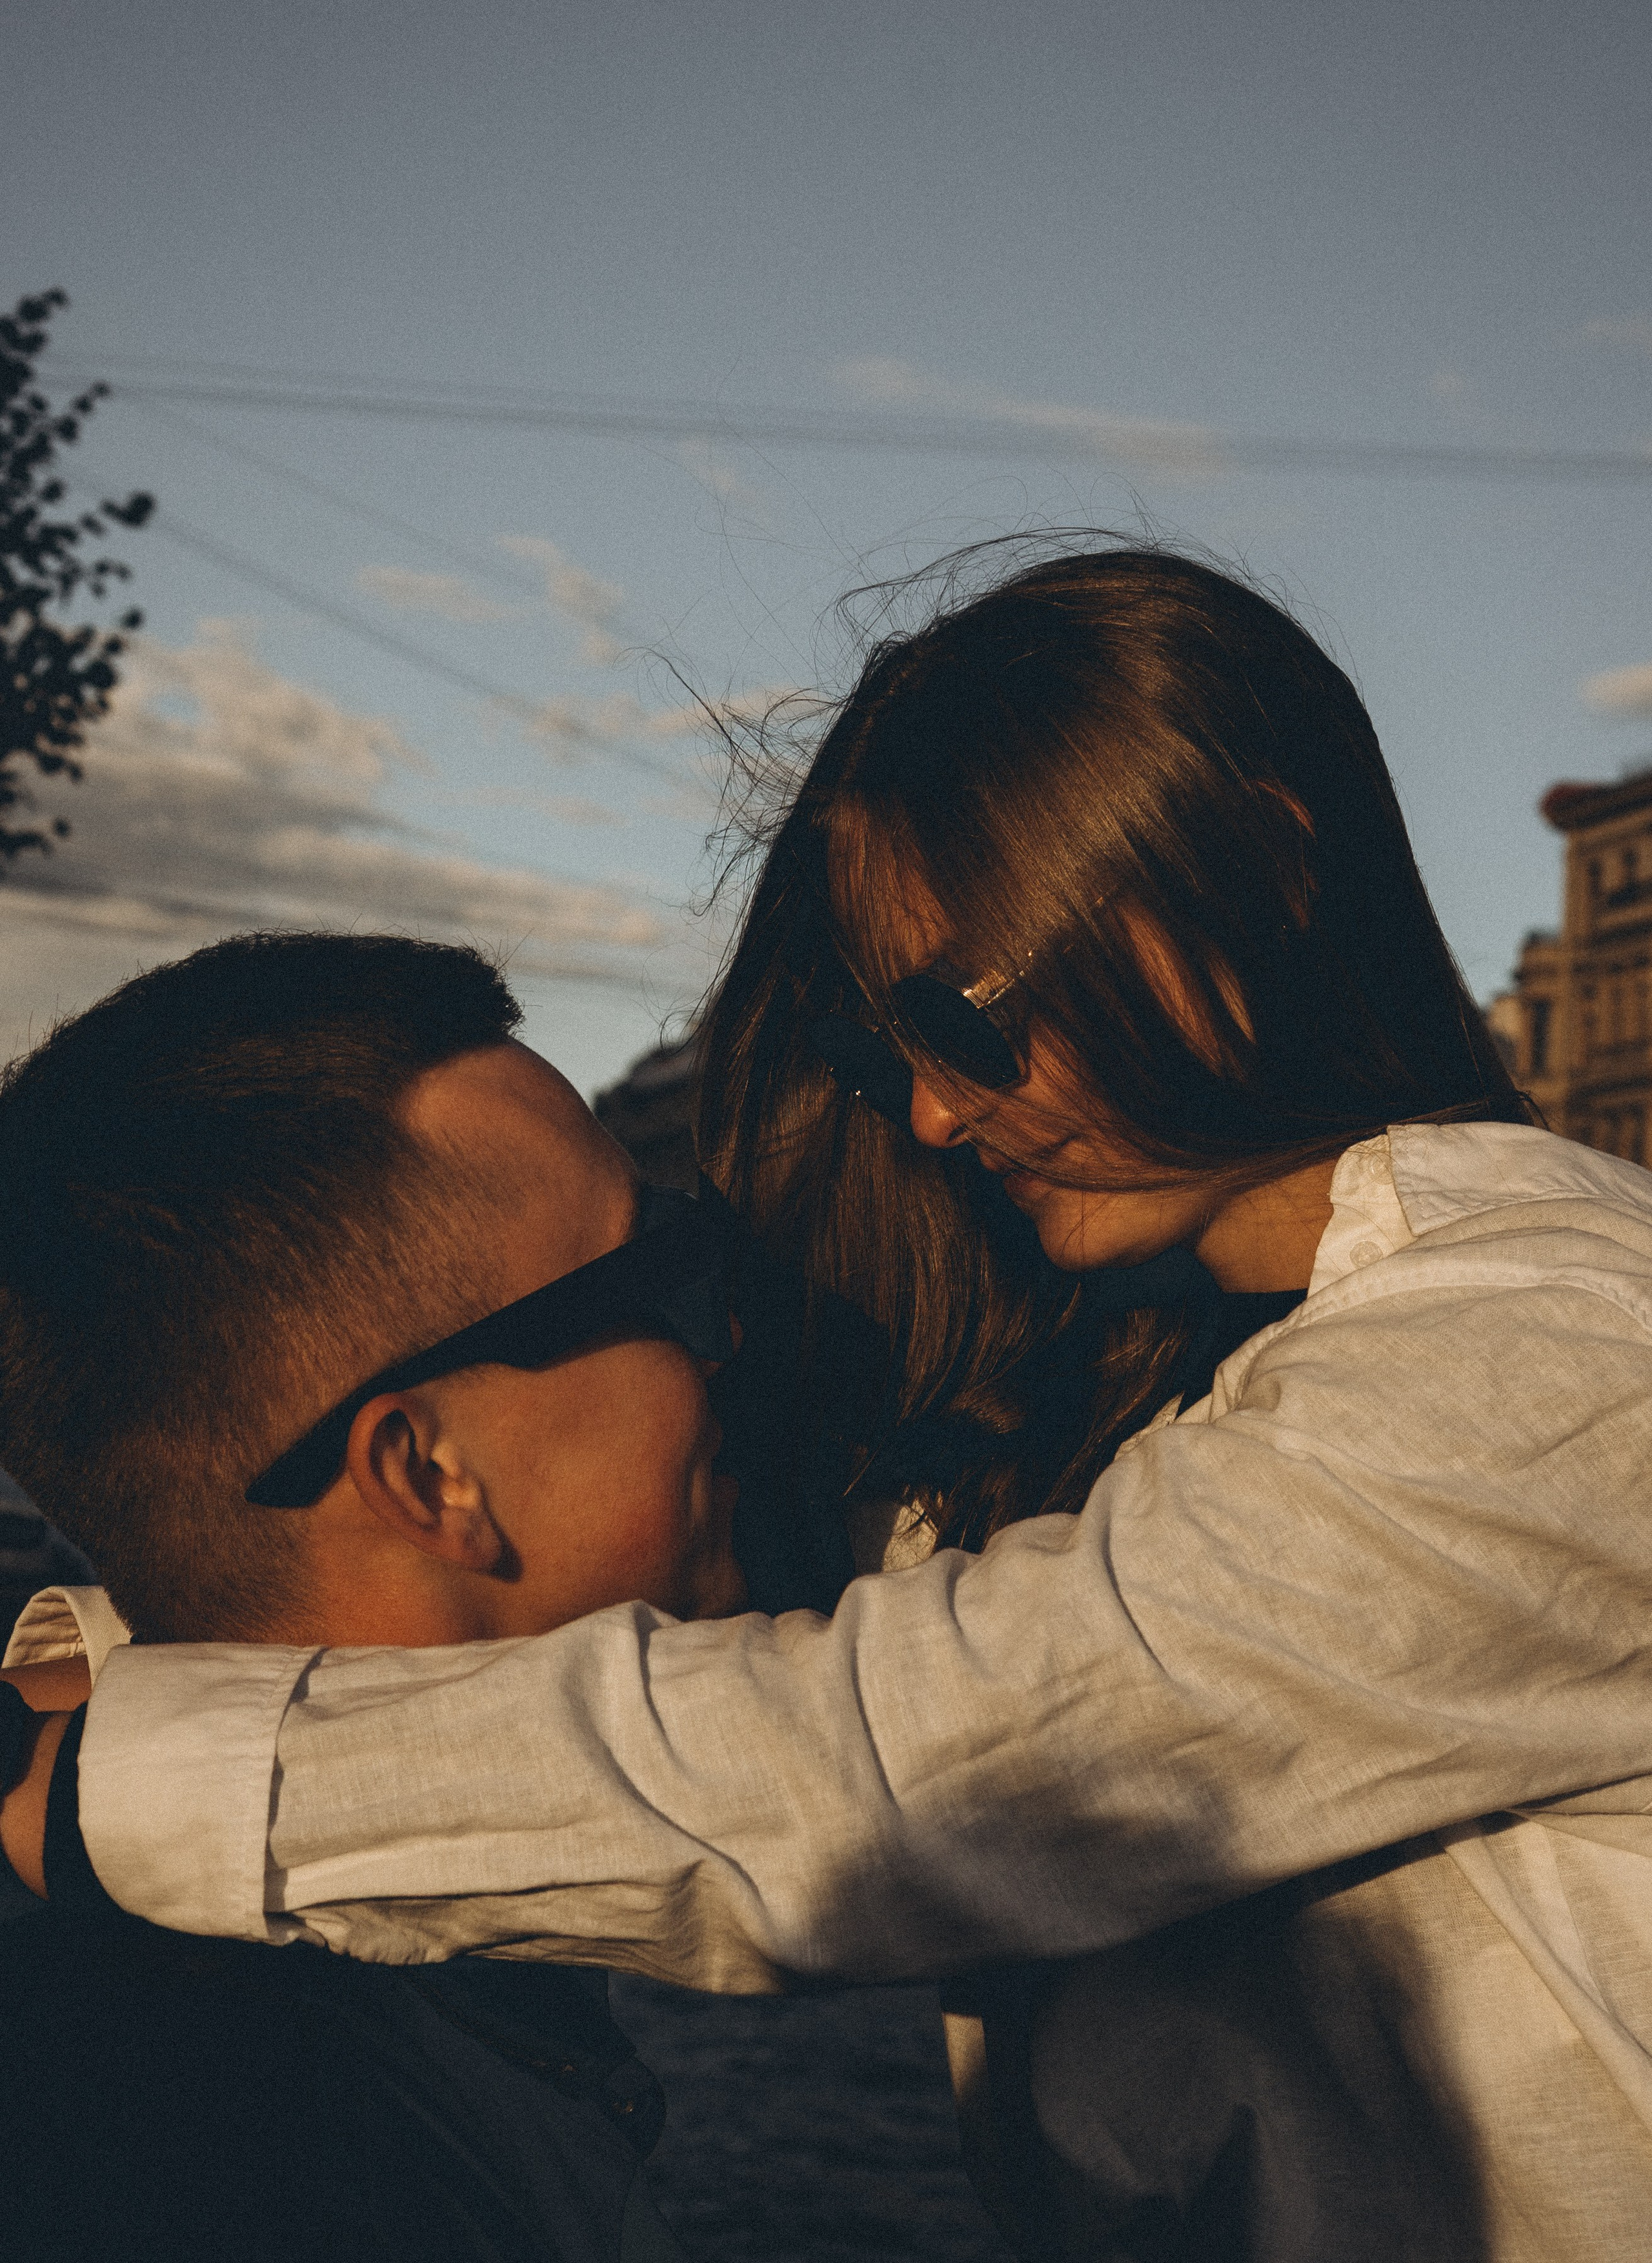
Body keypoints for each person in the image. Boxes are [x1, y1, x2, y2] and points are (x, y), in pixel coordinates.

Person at [12, 546, 1652, 2259]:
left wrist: (147, 1781)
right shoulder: (1146, 1379)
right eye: (891, 1050)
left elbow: (900, 1761)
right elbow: (748, 1633)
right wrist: (168, 1624)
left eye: (967, 1015)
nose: (935, 1115)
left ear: (1252, 866)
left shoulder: (1546, 1352)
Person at [0, 929, 751, 2263]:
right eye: (664, 1271)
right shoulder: (242, 2161)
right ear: (427, 1472)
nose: (730, 1330)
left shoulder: (226, 2009)